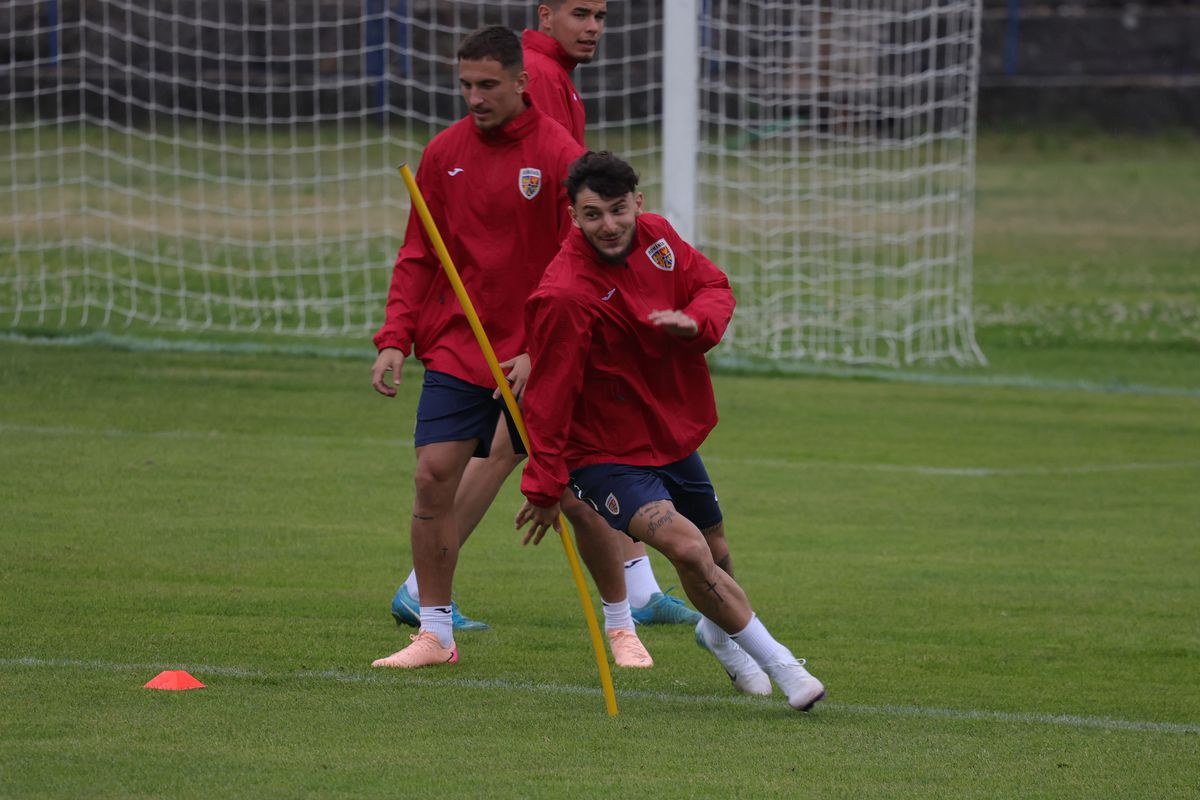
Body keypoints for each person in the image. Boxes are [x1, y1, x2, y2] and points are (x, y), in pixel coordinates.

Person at [369, 27, 651, 669]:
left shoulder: (557, 156)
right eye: (465, 85)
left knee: (573, 494)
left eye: (488, 85)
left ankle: (621, 625)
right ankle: (434, 634)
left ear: (522, 83)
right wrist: (395, 338)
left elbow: (578, 261)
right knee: (432, 478)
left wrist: (535, 348)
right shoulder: (443, 153)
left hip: (539, 352)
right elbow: (419, 253)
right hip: (457, 346)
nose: (475, 97)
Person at [515, 151, 826, 710]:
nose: (609, 225)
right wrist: (543, 485)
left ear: (638, 203)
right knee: (686, 547)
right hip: (603, 452)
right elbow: (548, 396)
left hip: (666, 432)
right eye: (592, 215)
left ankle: (717, 635)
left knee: (715, 549)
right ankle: (785, 666)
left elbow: (713, 285)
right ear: (572, 216)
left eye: (618, 210)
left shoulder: (658, 237)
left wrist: (694, 323)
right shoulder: (565, 294)